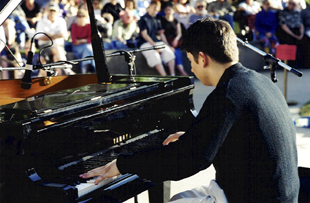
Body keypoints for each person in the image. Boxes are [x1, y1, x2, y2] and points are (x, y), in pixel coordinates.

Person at [80, 18, 300, 202]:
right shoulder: (256, 82)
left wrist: (123, 163)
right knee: (181, 198)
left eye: (190, 61)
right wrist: (194, 137)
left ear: (202, 58)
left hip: (254, 198)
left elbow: (185, 162)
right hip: (277, 195)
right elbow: (236, 139)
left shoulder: (227, 95)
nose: (192, 68)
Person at [136, 1, 176, 76]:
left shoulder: (157, 19)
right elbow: (144, 35)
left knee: (169, 53)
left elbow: (161, 34)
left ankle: (172, 75)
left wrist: (168, 45)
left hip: (157, 42)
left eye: (157, 9)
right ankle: (165, 77)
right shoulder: (143, 19)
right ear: (150, 7)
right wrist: (154, 45)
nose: (156, 10)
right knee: (154, 56)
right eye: (154, 8)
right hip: (145, 43)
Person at [36, 2, 72, 75]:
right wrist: (56, 35)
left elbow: (64, 35)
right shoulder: (41, 21)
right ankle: (66, 69)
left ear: (57, 12)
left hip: (58, 46)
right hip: (44, 47)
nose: (52, 13)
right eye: (50, 10)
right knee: (57, 50)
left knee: (56, 58)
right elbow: (39, 37)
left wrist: (49, 35)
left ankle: (58, 78)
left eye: (54, 11)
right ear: (47, 11)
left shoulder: (61, 21)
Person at [161, 3, 188, 75]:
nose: (168, 11)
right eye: (167, 9)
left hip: (175, 42)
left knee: (177, 51)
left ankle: (181, 70)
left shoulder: (176, 21)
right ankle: (181, 71)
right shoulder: (162, 21)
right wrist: (168, 45)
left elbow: (179, 33)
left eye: (170, 9)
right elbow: (161, 34)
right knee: (173, 51)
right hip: (166, 42)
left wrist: (176, 39)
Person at [71, 8, 95, 73]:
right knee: (88, 49)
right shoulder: (74, 26)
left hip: (87, 47)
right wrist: (85, 40)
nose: (81, 18)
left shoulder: (89, 26)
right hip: (77, 48)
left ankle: (85, 69)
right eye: (79, 16)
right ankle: (92, 68)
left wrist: (81, 41)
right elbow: (74, 41)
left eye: (83, 16)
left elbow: (91, 39)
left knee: (87, 49)